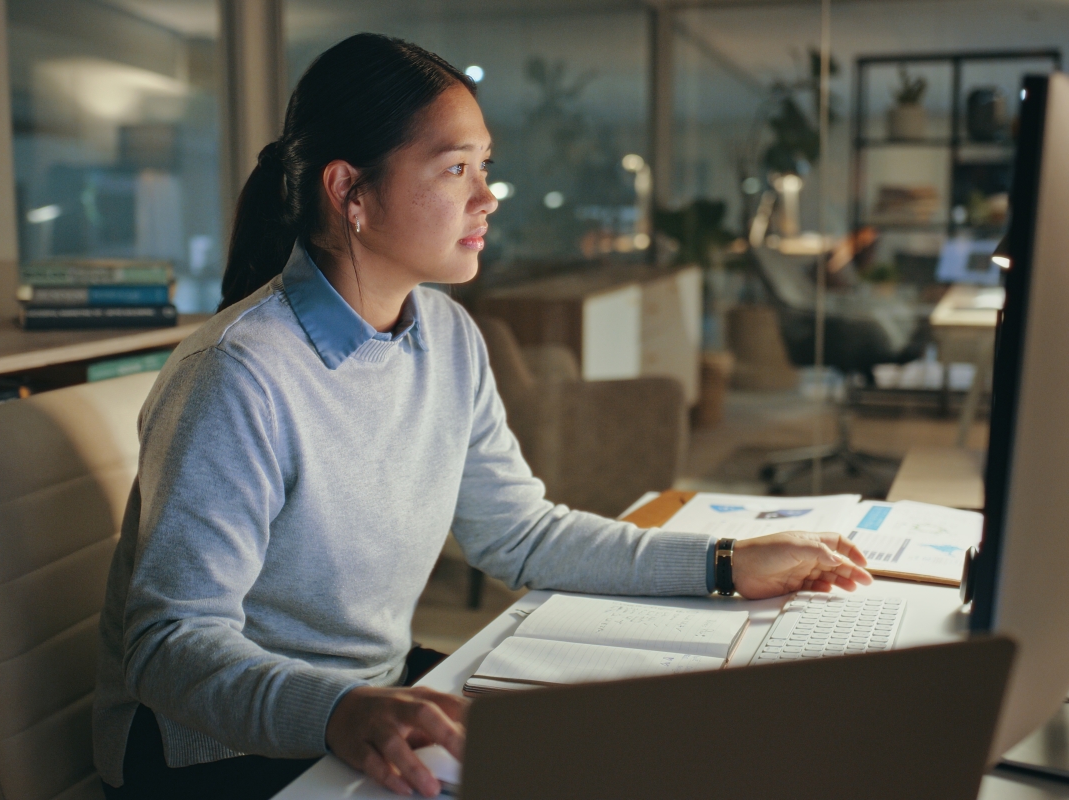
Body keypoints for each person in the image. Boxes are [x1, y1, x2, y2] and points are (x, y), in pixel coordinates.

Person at [93, 33, 872, 800]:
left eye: (485, 166)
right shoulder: (238, 375)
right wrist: (338, 710)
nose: (486, 196)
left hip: (370, 699)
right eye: (456, 168)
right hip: (211, 750)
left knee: (634, 746)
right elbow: (169, 648)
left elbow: (521, 535)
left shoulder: (446, 335)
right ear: (349, 192)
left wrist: (725, 562)